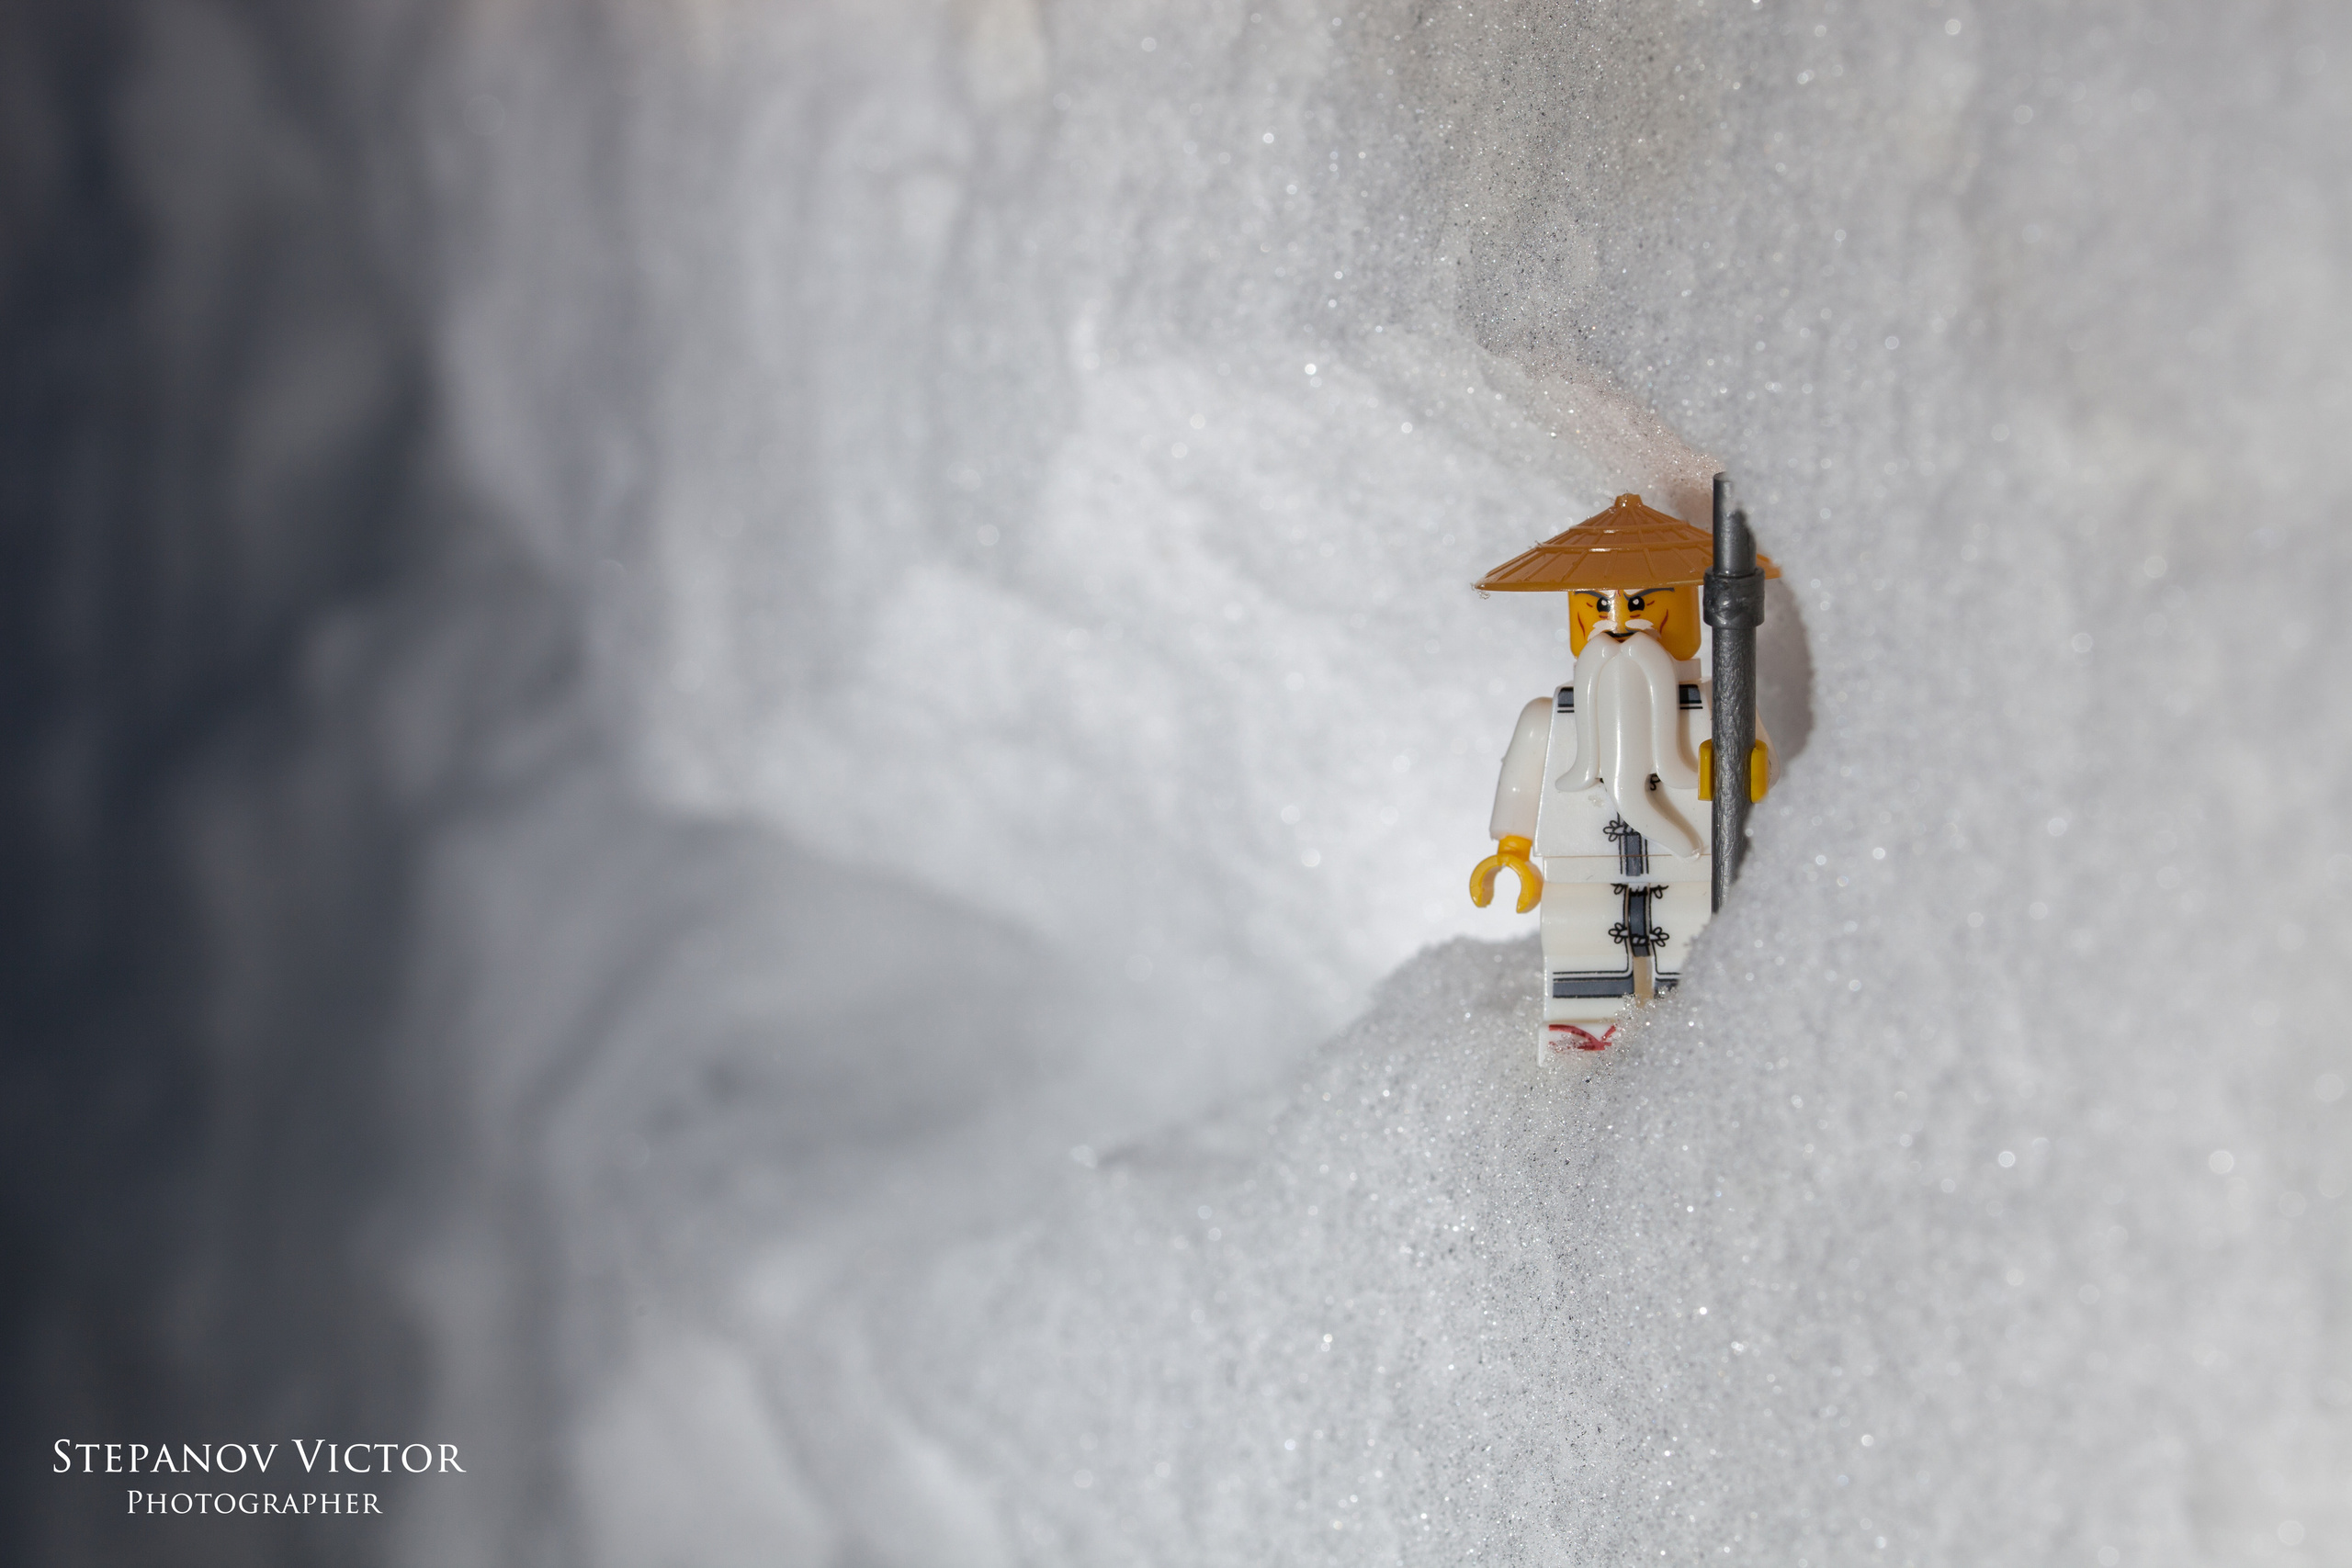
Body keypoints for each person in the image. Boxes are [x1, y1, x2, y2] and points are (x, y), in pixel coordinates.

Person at [1468, 495, 1776, 1056]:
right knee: (1579, 955)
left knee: (1693, 955)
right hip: (1579, 877)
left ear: (1686, 613)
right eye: (1596, 607)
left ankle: (1696, 1046)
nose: (1618, 626)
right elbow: (1520, 785)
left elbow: (1763, 779)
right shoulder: (1550, 718)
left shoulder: (1722, 709)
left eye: (1640, 605)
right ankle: (1582, 1051)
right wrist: (1511, 849)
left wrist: (1747, 768)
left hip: (1692, 871)